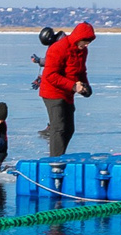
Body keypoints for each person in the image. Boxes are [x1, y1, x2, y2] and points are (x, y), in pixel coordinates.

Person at [37, 22, 95, 157]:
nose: (86, 45)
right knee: (58, 128)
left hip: (67, 93)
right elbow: (50, 75)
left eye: (89, 42)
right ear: (78, 38)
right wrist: (74, 86)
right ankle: (55, 162)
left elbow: (81, 71)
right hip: (52, 92)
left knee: (69, 128)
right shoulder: (59, 48)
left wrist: (86, 86)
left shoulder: (82, 51)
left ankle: (60, 155)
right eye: (85, 41)